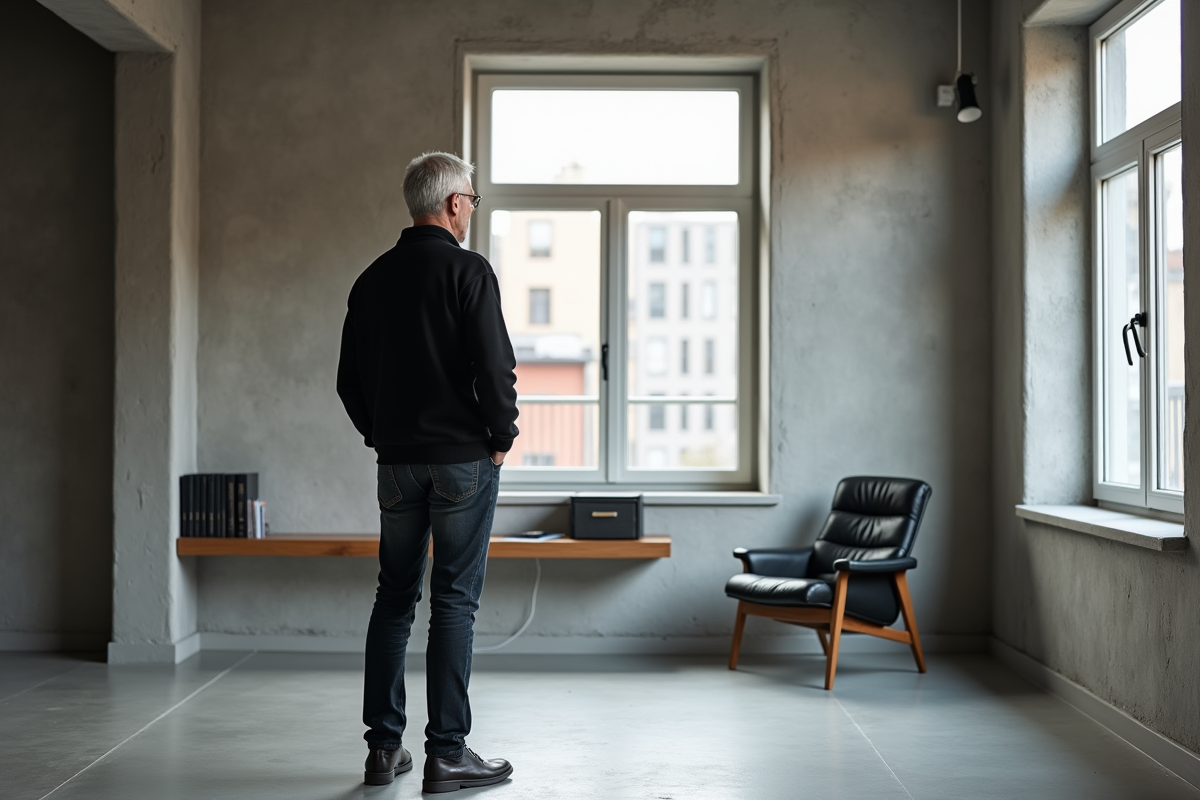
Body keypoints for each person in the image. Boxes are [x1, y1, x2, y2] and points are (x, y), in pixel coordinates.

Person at [336, 151, 518, 793]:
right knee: (453, 603)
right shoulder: (469, 272)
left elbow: (347, 381)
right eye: (472, 198)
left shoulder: (371, 279)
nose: (471, 208)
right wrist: (502, 436)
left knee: (393, 598)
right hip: (463, 462)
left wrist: (379, 434)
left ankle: (383, 751)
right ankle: (446, 753)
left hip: (397, 464)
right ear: (451, 203)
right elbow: (495, 367)